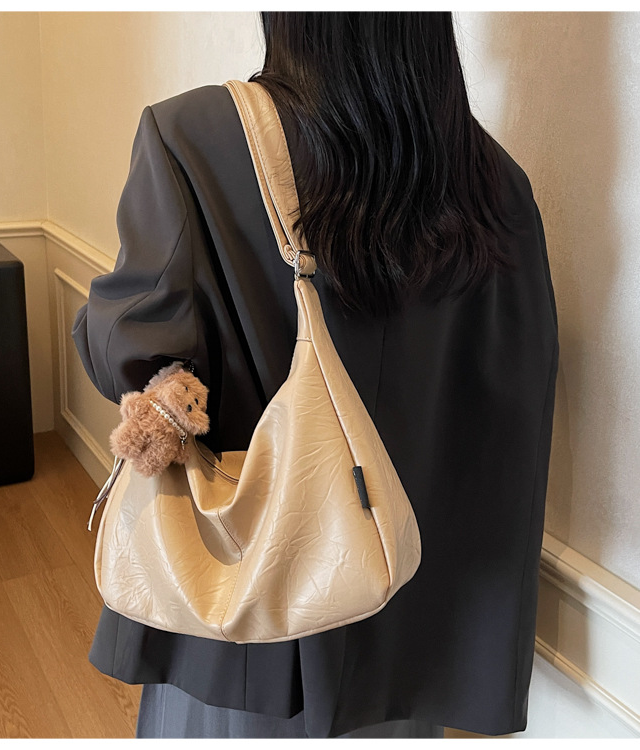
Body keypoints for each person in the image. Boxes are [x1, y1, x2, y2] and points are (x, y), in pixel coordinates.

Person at [71, 11, 559, 739]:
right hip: (403, 618)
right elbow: (509, 415)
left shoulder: (194, 137)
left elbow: (132, 346)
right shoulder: (496, 184)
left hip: (250, 618)